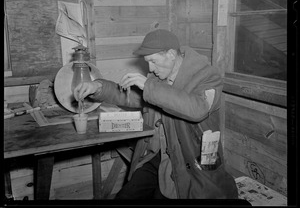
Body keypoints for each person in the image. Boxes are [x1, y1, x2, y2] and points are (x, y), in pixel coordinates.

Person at [73, 29, 238, 199]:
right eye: (147, 62)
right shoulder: (158, 77)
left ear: (171, 54)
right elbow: (134, 97)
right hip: (159, 156)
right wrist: (98, 87)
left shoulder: (207, 76)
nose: (150, 68)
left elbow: (198, 109)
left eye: (153, 61)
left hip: (192, 158)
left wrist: (149, 86)